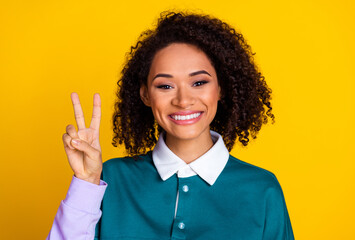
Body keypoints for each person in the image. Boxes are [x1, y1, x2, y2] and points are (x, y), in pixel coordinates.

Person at [47, 11, 294, 240]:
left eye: (199, 83)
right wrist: (86, 182)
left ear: (221, 88)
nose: (183, 100)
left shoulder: (262, 191)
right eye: (165, 86)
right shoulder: (109, 178)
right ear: (145, 95)